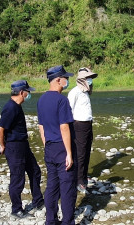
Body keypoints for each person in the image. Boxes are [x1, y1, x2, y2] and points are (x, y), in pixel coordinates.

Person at [0, 80, 44, 219]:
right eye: (28, 92)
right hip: (14, 147)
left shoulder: (17, 106)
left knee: (35, 171)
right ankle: (16, 209)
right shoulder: (10, 107)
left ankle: (38, 200)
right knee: (17, 179)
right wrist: (3, 145)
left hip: (23, 145)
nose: (29, 94)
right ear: (22, 93)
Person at [37, 65, 77, 225]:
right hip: (62, 147)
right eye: (66, 78)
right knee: (67, 187)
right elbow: (64, 127)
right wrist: (69, 153)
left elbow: (41, 126)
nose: (67, 81)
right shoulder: (61, 100)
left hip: (49, 147)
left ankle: (51, 220)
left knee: (52, 185)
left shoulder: (41, 100)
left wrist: (46, 144)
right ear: (58, 80)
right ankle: (68, 221)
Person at [68, 67, 98, 194]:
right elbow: (69, 111)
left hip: (87, 124)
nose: (90, 80)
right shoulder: (74, 92)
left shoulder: (85, 92)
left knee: (86, 151)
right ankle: (79, 181)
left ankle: (84, 176)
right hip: (78, 125)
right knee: (80, 153)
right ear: (82, 79)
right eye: (88, 78)